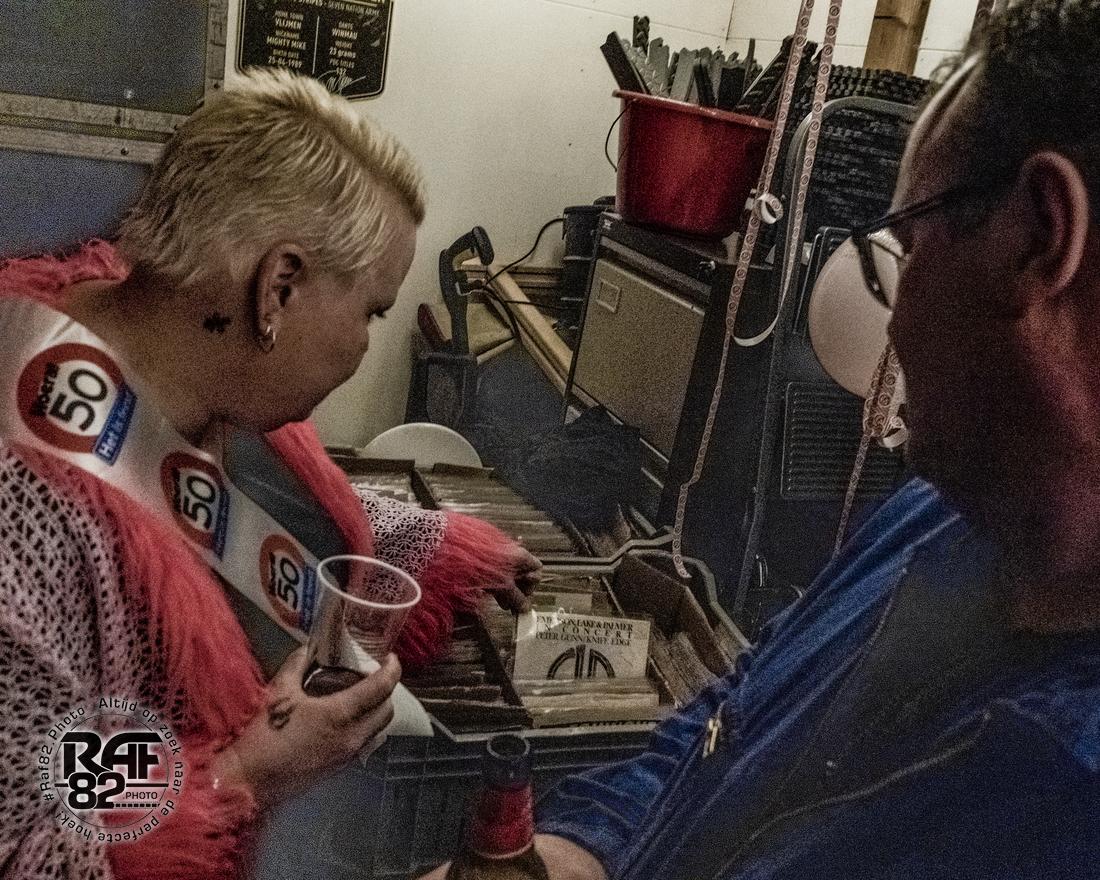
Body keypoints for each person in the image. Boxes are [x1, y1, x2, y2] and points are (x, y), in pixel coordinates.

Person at [424, 2, 1100, 877]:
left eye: (906, 248)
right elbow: (731, 720)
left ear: (1037, 237)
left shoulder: (1061, 802)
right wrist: (576, 850)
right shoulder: (936, 515)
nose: (892, 328)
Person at [0, 69, 540, 879]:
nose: (365, 345)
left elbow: (215, 505)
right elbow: (30, 836)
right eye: (372, 311)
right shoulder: (18, 522)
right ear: (277, 288)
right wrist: (244, 774)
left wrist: (437, 544)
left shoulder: (168, 363)